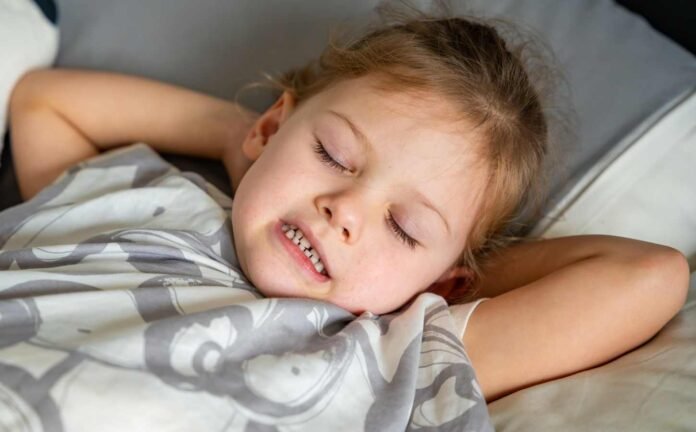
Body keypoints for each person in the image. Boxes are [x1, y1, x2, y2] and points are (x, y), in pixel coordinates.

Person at [4, 4, 689, 406]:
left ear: (443, 279)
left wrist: (427, 289)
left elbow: (651, 275)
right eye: (331, 155)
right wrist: (240, 142)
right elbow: (44, 98)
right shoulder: (142, 201)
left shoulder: (397, 356)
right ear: (273, 126)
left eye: (404, 226)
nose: (345, 209)